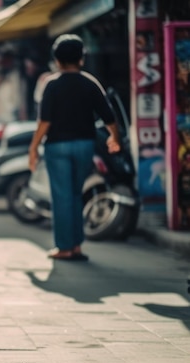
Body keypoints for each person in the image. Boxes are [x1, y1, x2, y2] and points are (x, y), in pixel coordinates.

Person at [28, 34, 121, 261]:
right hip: (84, 146)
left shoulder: (52, 84)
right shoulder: (90, 82)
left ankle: (64, 248)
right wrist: (114, 138)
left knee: (62, 197)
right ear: (81, 58)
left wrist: (33, 148)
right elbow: (109, 116)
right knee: (77, 195)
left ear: (56, 60)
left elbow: (44, 122)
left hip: (57, 147)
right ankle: (77, 246)